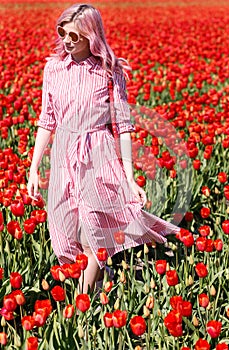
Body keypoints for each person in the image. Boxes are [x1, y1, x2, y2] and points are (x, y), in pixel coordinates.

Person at [27, 3, 180, 294]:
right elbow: (46, 120)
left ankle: (83, 304)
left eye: (74, 35)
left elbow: (123, 126)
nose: (66, 41)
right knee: (63, 236)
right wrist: (34, 168)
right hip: (63, 154)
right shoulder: (53, 69)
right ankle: (100, 277)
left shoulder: (109, 71)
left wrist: (130, 177)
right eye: (63, 33)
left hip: (98, 152)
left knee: (92, 231)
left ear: (91, 36)